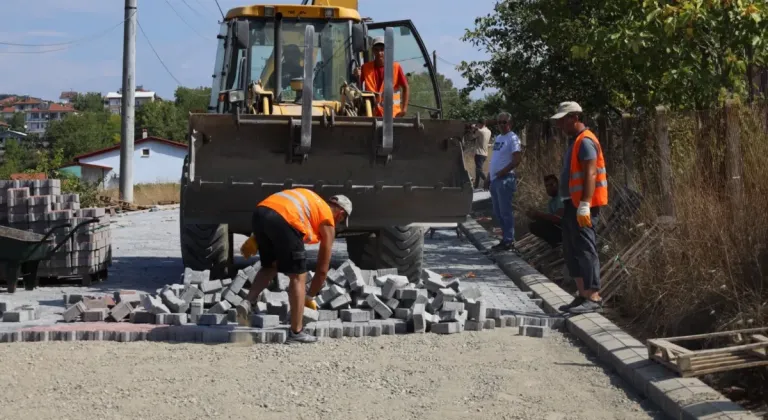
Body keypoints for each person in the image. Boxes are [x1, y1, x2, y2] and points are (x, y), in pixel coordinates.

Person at [235, 188, 352, 344]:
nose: (338, 224)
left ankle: (248, 301)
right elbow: (322, 268)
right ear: (341, 214)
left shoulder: (312, 202)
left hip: (260, 213)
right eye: (341, 221)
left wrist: (257, 236)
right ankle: (296, 332)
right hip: (284, 220)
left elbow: (277, 210)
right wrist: (310, 296)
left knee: (270, 266)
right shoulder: (327, 219)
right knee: (298, 276)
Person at [550, 101, 608, 314]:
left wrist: (585, 203)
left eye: (562, 120)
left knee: (585, 249)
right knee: (571, 248)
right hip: (571, 204)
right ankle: (582, 294)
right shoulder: (575, 142)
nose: (559, 126)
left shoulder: (585, 142)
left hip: (584, 206)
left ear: (574, 117)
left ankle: (593, 296)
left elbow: (591, 173)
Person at [488, 112, 523, 251]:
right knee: (498, 212)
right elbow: (495, 159)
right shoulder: (498, 138)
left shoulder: (513, 138)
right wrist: (487, 177)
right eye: (499, 122)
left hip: (505, 179)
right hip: (494, 180)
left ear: (510, 123)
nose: (501, 125)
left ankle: (509, 240)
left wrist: (504, 171)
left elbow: (517, 159)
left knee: (505, 211)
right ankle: (504, 238)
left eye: (504, 122)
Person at [353, 36, 410, 117]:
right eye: (376, 50)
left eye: (382, 49)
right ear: (373, 51)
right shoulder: (365, 68)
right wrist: (356, 75)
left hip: (392, 116)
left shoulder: (396, 67)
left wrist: (404, 109)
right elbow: (358, 89)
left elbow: (406, 87)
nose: (379, 53)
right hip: (372, 115)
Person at [525, 174, 564, 247]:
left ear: (558, 184)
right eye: (546, 186)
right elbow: (549, 219)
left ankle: (559, 242)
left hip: (566, 229)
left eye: (551, 185)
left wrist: (539, 214)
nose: (549, 188)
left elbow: (558, 219)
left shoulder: (561, 197)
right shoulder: (551, 202)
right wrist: (534, 216)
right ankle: (554, 243)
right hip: (558, 228)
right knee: (533, 225)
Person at [472, 118, 492, 190]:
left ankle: (488, 182)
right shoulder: (489, 131)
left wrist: (473, 128)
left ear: (480, 124)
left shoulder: (479, 131)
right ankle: (476, 185)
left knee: (478, 170)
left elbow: (472, 137)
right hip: (485, 153)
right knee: (478, 169)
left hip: (479, 153)